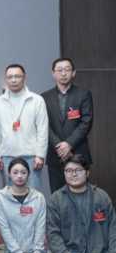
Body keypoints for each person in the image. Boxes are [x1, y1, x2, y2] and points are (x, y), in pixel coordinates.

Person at [0, 64, 49, 192]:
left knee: (33, 194)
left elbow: (42, 130)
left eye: (17, 76)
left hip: (32, 157)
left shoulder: (36, 100)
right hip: (7, 156)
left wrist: (40, 155)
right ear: (6, 79)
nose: (14, 80)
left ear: (25, 78)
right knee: (10, 195)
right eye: (10, 77)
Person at [42, 57, 93, 193]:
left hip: (78, 152)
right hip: (55, 155)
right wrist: (60, 147)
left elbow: (86, 122)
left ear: (73, 72)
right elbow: (43, 125)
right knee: (58, 195)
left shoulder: (83, 95)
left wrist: (69, 144)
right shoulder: (44, 97)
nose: (63, 73)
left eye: (67, 70)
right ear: (53, 73)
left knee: (81, 193)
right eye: (59, 70)